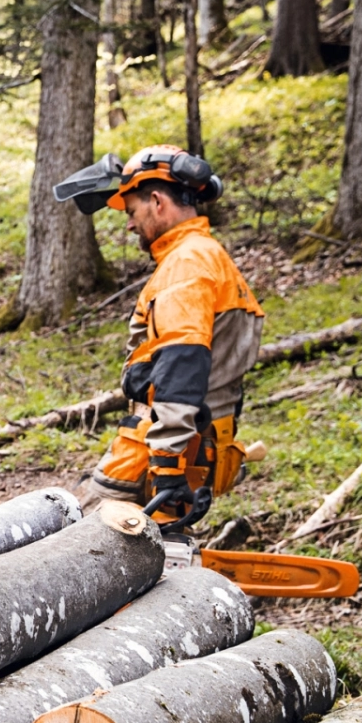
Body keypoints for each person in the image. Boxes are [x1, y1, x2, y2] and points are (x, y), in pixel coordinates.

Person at [55, 145, 265, 530]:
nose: (130, 224)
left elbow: (184, 362)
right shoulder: (202, 255)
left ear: (156, 201)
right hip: (187, 438)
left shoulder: (188, 263)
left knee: (77, 535)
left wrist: (167, 461)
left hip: (165, 444)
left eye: (132, 212)